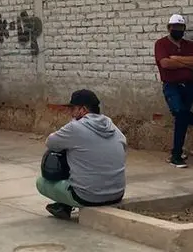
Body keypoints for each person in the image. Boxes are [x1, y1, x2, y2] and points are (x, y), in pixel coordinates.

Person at [36, 90, 127, 220]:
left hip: (87, 197)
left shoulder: (76, 128)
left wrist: (71, 127)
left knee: (42, 182)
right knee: (81, 156)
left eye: (72, 108)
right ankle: (63, 206)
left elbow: (50, 142)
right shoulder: (113, 127)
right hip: (117, 195)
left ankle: (65, 204)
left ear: (82, 110)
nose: (70, 112)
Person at [154, 14, 193, 168]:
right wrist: (186, 62)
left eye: (181, 28)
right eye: (175, 28)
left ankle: (176, 153)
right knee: (180, 112)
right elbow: (165, 63)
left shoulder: (189, 44)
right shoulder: (161, 44)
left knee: (181, 120)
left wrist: (176, 59)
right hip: (171, 85)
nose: (178, 30)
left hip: (189, 85)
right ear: (169, 28)